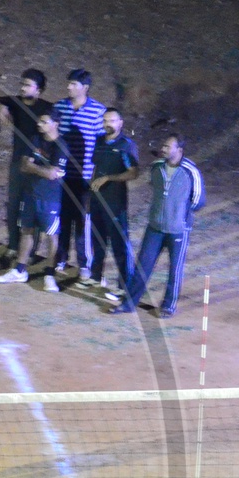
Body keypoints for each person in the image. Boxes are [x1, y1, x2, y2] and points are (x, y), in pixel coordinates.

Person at [110, 134, 204, 317]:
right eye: (164, 146)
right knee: (142, 266)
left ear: (180, 150)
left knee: (175, 270)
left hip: (178, 230)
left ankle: (168, 307)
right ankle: (128, 304)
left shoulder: (190, 171)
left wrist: (180, 216)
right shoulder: (156, 167)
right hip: (155, 227)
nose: (164, 149)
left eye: (168, 147)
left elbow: (199, 201)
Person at [0, 112, 69, 292]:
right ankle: (20, 270)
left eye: (44, 120)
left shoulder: (61, 145)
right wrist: (42, 169)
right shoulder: (34, 139)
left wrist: (33, 167)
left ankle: (50, 275)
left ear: (55, 124)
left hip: (49, 199)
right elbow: (23, 166)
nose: (39, 123)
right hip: (30, 195)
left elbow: (53, 174)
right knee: (26, 231)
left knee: (51, 236)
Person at [51, 69, 106, 282]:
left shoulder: (98, 112)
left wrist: (94, 177)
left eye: (74, 84)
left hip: (83, 177)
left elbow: (99, 148)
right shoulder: (59, 108)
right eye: (69, 84)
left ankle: (84, 265)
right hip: (61, 176)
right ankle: (61, 259)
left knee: (82, 222)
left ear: (85, 87)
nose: (68, 87)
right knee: (62, 218)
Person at [0, 69, 53, 260]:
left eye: (28, 85)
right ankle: (12, 245)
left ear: (39, 90)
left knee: (32, 208)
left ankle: (31, 251)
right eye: (22, 84)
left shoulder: (47, 108)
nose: (23, 88)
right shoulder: (15, 102)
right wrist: (2, 109)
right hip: (18, 162)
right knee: (13, 204)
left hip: (37, 163)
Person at [87, 107, 140, 291]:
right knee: (97, 239)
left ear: (120, 123)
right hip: (97, 200)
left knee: (118, 243)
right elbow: (96, 166)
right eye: (105, 121)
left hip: (115, 202)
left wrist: (109, 178)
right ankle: (96, 276)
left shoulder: (127, 145)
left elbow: (133, 173)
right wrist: (91, 188)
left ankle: (124, 286)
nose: (107, 124)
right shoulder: (99, 140)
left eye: (111, 120)